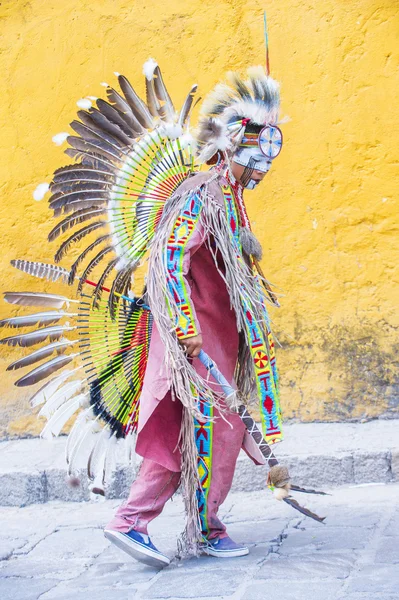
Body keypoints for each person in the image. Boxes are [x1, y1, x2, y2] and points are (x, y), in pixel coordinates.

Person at [104, 66, 284, 568]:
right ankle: (130, 520)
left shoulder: (231, 200)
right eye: (256, 159)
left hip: (217, 343)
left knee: (219, 434)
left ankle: (206, 527)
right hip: (194, 343)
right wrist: (185, 329)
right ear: (233, 148)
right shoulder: (202, 194)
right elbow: (168, 259)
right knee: (186, 433)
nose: (262, 171)